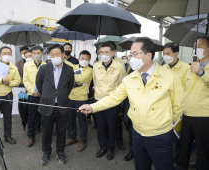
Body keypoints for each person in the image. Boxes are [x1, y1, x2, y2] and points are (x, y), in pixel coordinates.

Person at [79, 37, 184, 170]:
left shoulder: (169, 76)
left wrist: (165, 122)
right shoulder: (130, 78)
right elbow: (115, 97)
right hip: (138, 133)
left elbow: (178, 105)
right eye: (131, 54)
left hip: (160, 135)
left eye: (135, 54)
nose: (131, 58)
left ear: (148, 55)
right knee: (141, 166)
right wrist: (92, 107)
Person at [36, 44, 74, 165]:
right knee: (46, 131)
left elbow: (70, 86)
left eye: (57, 54)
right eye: (52, 55)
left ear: (63, 54)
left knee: (62, 131)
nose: (55, 57)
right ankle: (46, 152)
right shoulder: (43, 68)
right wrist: (48, 96)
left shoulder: (69, 69)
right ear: (49, 56)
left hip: (62, 105)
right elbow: (39, 84)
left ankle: (60, 151)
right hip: (47, 105)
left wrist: (61, 96)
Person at [176, 36, 209, 170]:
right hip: (187, 113)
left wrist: (202, 72)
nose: (196, 49)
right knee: (184, 146)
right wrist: (181, 111)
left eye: (200, 46)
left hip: (204, 115)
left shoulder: (200, 69)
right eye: (194, 47)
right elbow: (185, 91)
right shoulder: (191, 67)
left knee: (203, 149)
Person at [90, 41, 125, 160]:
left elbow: (122, 84)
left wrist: (119, 101)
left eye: (106, 52)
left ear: (113, 52)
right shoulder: (96, 66)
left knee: (112, 126)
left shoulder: (119, 66)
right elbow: (95, 81)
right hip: (99, 101)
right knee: (100, 126)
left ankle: (110, 148)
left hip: (112, 102)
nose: (103, 54)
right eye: (101, 52)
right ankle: (102, 147)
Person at [162, 42, 190, 164]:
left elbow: (189, 91)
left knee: (178, 137)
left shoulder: (187, 68)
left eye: (168, 53)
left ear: (176, 54)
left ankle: (178, 160)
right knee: (165, 137)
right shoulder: (162, 68)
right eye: (163, 53)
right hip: (165, 109)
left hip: (180, 110)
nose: (165, 56)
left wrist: (183, 110)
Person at [0, 46, 21, 144]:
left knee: (7, 117)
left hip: (7, 95)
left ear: (11, 55)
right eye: (4, 53)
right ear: (0, 55)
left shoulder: (13, 68)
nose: (7, 55)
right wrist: (1, 80)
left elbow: (18, 81)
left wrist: (9, 83)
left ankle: (7, 136)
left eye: (9, 53)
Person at [65, 50, 93, 152]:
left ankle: (83, 140)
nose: (84, 60)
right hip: (71, 97)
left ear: (89, 60)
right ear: (78, 58)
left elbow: (81, 78)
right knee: (70, 118)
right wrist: (74, 80)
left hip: (82, 98)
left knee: (82, 120)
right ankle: (72, 137)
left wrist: (72, 78)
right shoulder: (74, 67)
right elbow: (68, 77)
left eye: (86, 59)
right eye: (82, 58)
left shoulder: (90, 70)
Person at [23, 45, 46, 147]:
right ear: (31, 54)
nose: (36, 55)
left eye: (38, 53)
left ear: (42, 53)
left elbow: (48, 82)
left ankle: (45, 135)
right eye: (34, 53)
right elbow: (25, 80)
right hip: (32, 95)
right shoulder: (27, 65)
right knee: (31, 116)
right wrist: (33, 92)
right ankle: (31, 136)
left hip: (43, 95)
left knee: (44, 115)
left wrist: (41, 91)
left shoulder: (47, 65)